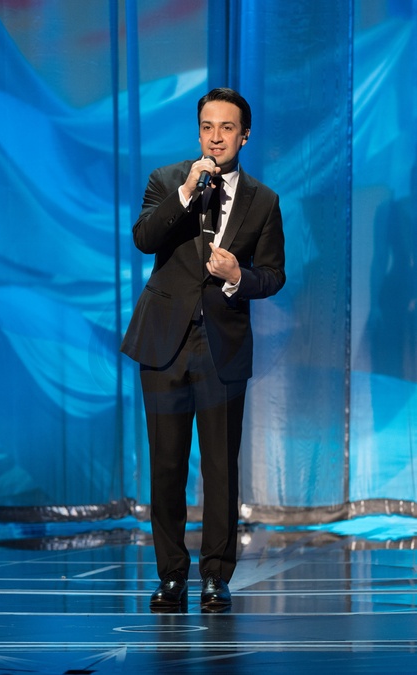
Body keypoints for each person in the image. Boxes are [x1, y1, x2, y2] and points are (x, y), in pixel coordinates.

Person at [121, 87, 285, 611]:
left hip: (222, 347)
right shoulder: (167, 180)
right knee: (166, 464)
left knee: (220, 467)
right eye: (207, 127)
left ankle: (216, 575)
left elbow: (273, 275)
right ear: (198, 133)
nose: (216, 138)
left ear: (244, 135)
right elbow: (144, 238)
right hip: (164, 343)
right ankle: (171, 575)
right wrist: (187, 191)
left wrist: (238, 275)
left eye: (227, 128)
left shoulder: (264, 200)